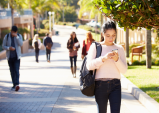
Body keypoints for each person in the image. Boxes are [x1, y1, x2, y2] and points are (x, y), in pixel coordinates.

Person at [86, 21, 127, 113]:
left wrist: (117, 60)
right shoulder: (95, 46)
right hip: (100, 85)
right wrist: (103, 59)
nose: (111, 38)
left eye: (113, 35)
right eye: (108, 35)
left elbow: (124, 70)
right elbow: (89, 66)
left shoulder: (119, 48)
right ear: (102, 34)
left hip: (115, 85)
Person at [2, 26, 23, 91]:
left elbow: (21, 44)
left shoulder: (19, 36)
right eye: (13, 32)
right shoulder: (7, 36)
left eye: (15, 32)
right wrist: (9, 48)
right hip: (10, 57)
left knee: (16, 71)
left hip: (17, 57)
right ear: (11, 31)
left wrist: (17, 37)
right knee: (12, 71)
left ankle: (17, 84)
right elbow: (3, 46)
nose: (14, 33)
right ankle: (14, 84)